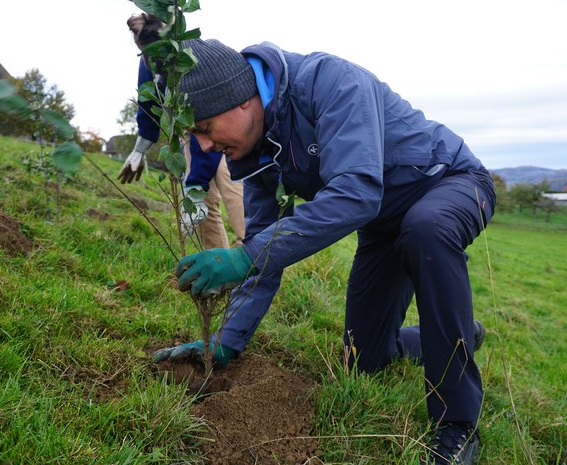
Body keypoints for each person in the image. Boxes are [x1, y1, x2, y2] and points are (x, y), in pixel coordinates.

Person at [157, 39, 496, 465]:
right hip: (384, 224)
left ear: (242, 102)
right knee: (363, 360)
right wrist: (226, 340)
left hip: (450, 184)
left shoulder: (329, 82)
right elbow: (265, 239)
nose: (204, 147)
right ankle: (456, 334)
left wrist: (247, 257)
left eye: (205, 128)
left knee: (425, 231)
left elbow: (357, 193)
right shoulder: (256, 147)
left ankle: (457, 424)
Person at [118, 14, 245, 249]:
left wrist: (196, 182)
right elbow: (148, 103)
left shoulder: (193, 61)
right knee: (202, 203)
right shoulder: (149, 59)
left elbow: (206, 130)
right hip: (191, 131)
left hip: (221, 126)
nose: (158, 68)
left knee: (233, 185)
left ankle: (251, 265)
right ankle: (217, 269)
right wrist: (139, 150)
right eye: (150, 60)